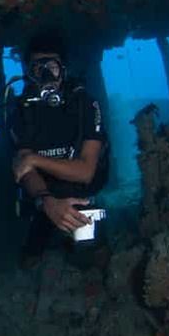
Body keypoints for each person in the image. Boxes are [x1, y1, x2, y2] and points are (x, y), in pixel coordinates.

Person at [7, 31, 110, 269]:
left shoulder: (85, 104)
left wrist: (34, 159)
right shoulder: (21, 112)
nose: (45, 75)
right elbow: (24, 170)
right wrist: (47, 203)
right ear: (27, 72)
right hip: (47, 193)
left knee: (97, 259)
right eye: (37, 68)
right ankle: (44, 229)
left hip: (82, 190)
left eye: (51, 67)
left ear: (63, 69)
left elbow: (85, 171)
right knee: (29, 261)